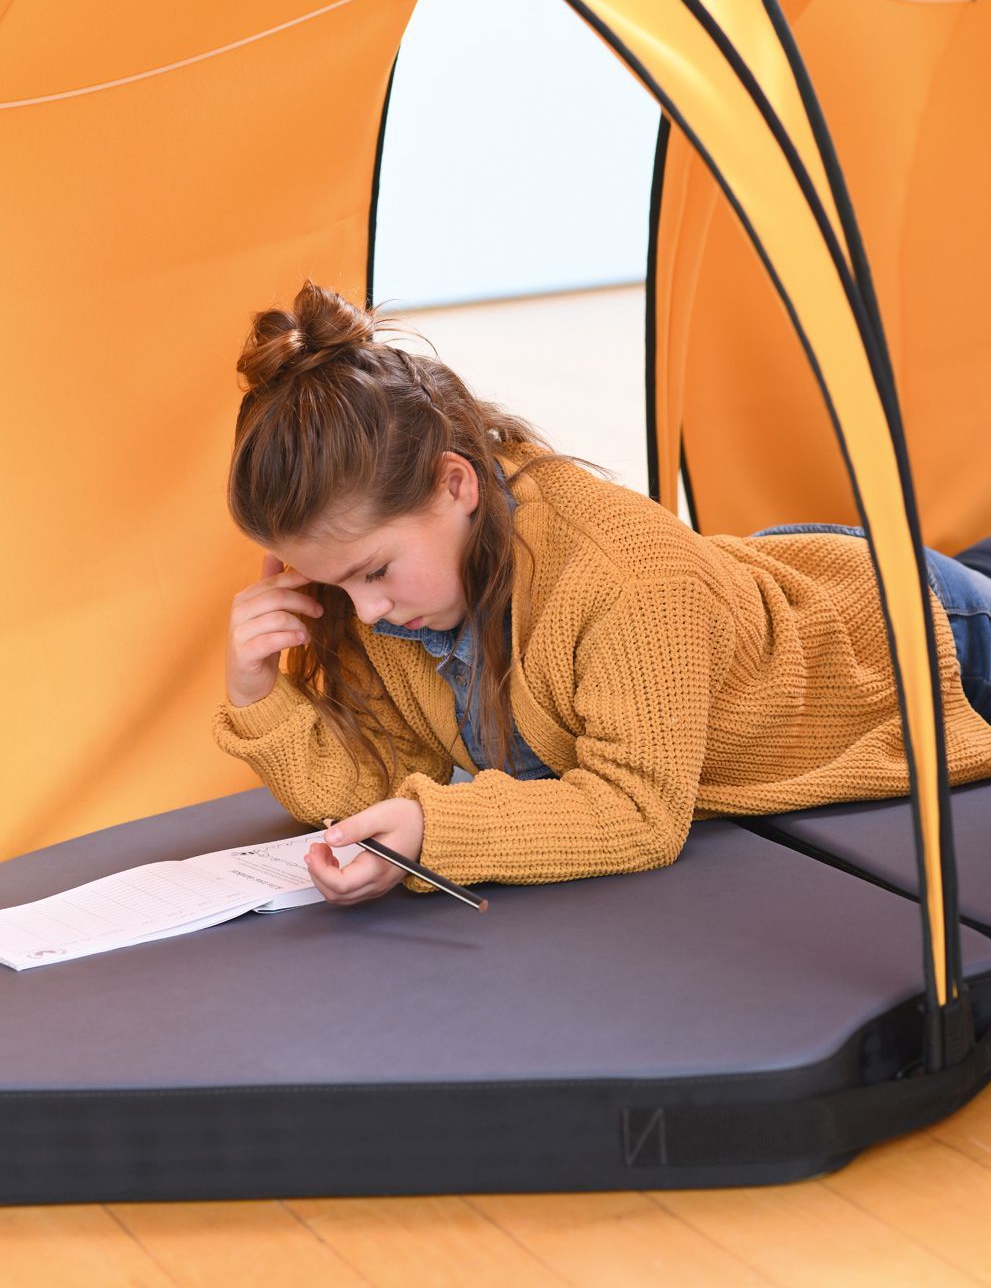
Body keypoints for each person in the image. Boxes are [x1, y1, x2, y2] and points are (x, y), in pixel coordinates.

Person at [213, 280, 991, 908]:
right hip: (738, 599)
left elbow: (637, 814)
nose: (367, 611)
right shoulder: (387, 602)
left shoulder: (624, 580)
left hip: (899, 632)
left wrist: (433, 829)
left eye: (373, 573)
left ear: (456, 484)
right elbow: (377, 782)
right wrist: (257, 694)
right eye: (333, 586)